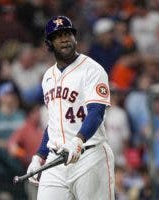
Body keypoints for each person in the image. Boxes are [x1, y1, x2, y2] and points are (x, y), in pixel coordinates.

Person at [26, 15, 115, 200]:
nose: (64, 39)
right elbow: (55, 123)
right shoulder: (48, 76)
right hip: (56, 160)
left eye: (68, 34)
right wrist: (39, 155)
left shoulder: (92, 69)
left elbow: (97, 112)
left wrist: (79, 140)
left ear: (75, 38)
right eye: (58, 36)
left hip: (89, 155)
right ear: (49, 43)